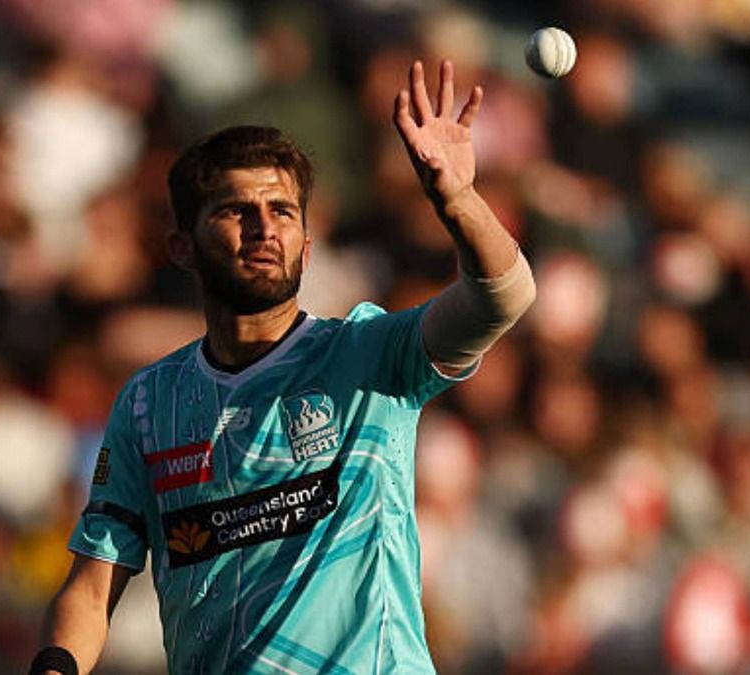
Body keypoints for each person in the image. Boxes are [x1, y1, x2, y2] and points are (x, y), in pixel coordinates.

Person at [30, 59, 536, 675]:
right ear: (182, 247)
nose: (264, 228)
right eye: (235, 211)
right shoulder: (148, 402)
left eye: (283, 211)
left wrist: (457, 202)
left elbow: (503, 298)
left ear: (305, 239)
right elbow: (91, 587)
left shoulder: (367, 354)